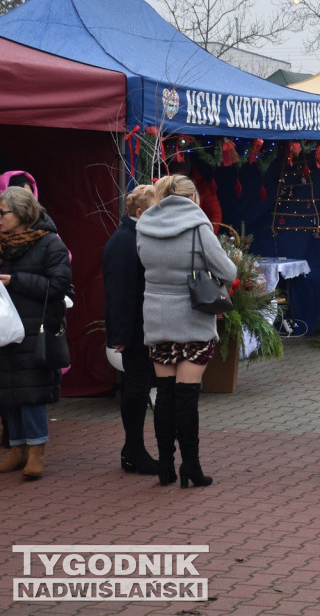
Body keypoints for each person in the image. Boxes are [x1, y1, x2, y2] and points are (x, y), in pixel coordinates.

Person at [135, 174, 237, 488]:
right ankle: (191, 466)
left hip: (156, 316)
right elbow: (228, 271)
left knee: (164, 394)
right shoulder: (198, 225)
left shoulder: (144, 225)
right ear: (193, 197)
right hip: (192, 319)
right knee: (186, 397)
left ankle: (165, 464)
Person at [0, 187, 72, 478]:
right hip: (6, 330)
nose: (0, 219)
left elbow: (59, 286)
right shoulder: (2, 244)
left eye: (3, 213)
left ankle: (36, 451)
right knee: (8, 392)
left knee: (31, 393)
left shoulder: (50, 244)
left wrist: (15, 280)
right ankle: (17, 448)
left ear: (22, 213)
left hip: (36, 328)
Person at [103, 184, 160, 475]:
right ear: (140, 213)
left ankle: (133, 449)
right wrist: (121, 336)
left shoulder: (132, 237)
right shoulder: (125, 242)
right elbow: (120, 293)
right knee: (136, 388)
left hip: (140, 328)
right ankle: (134, 450)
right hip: (134, 331)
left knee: (139, 386)